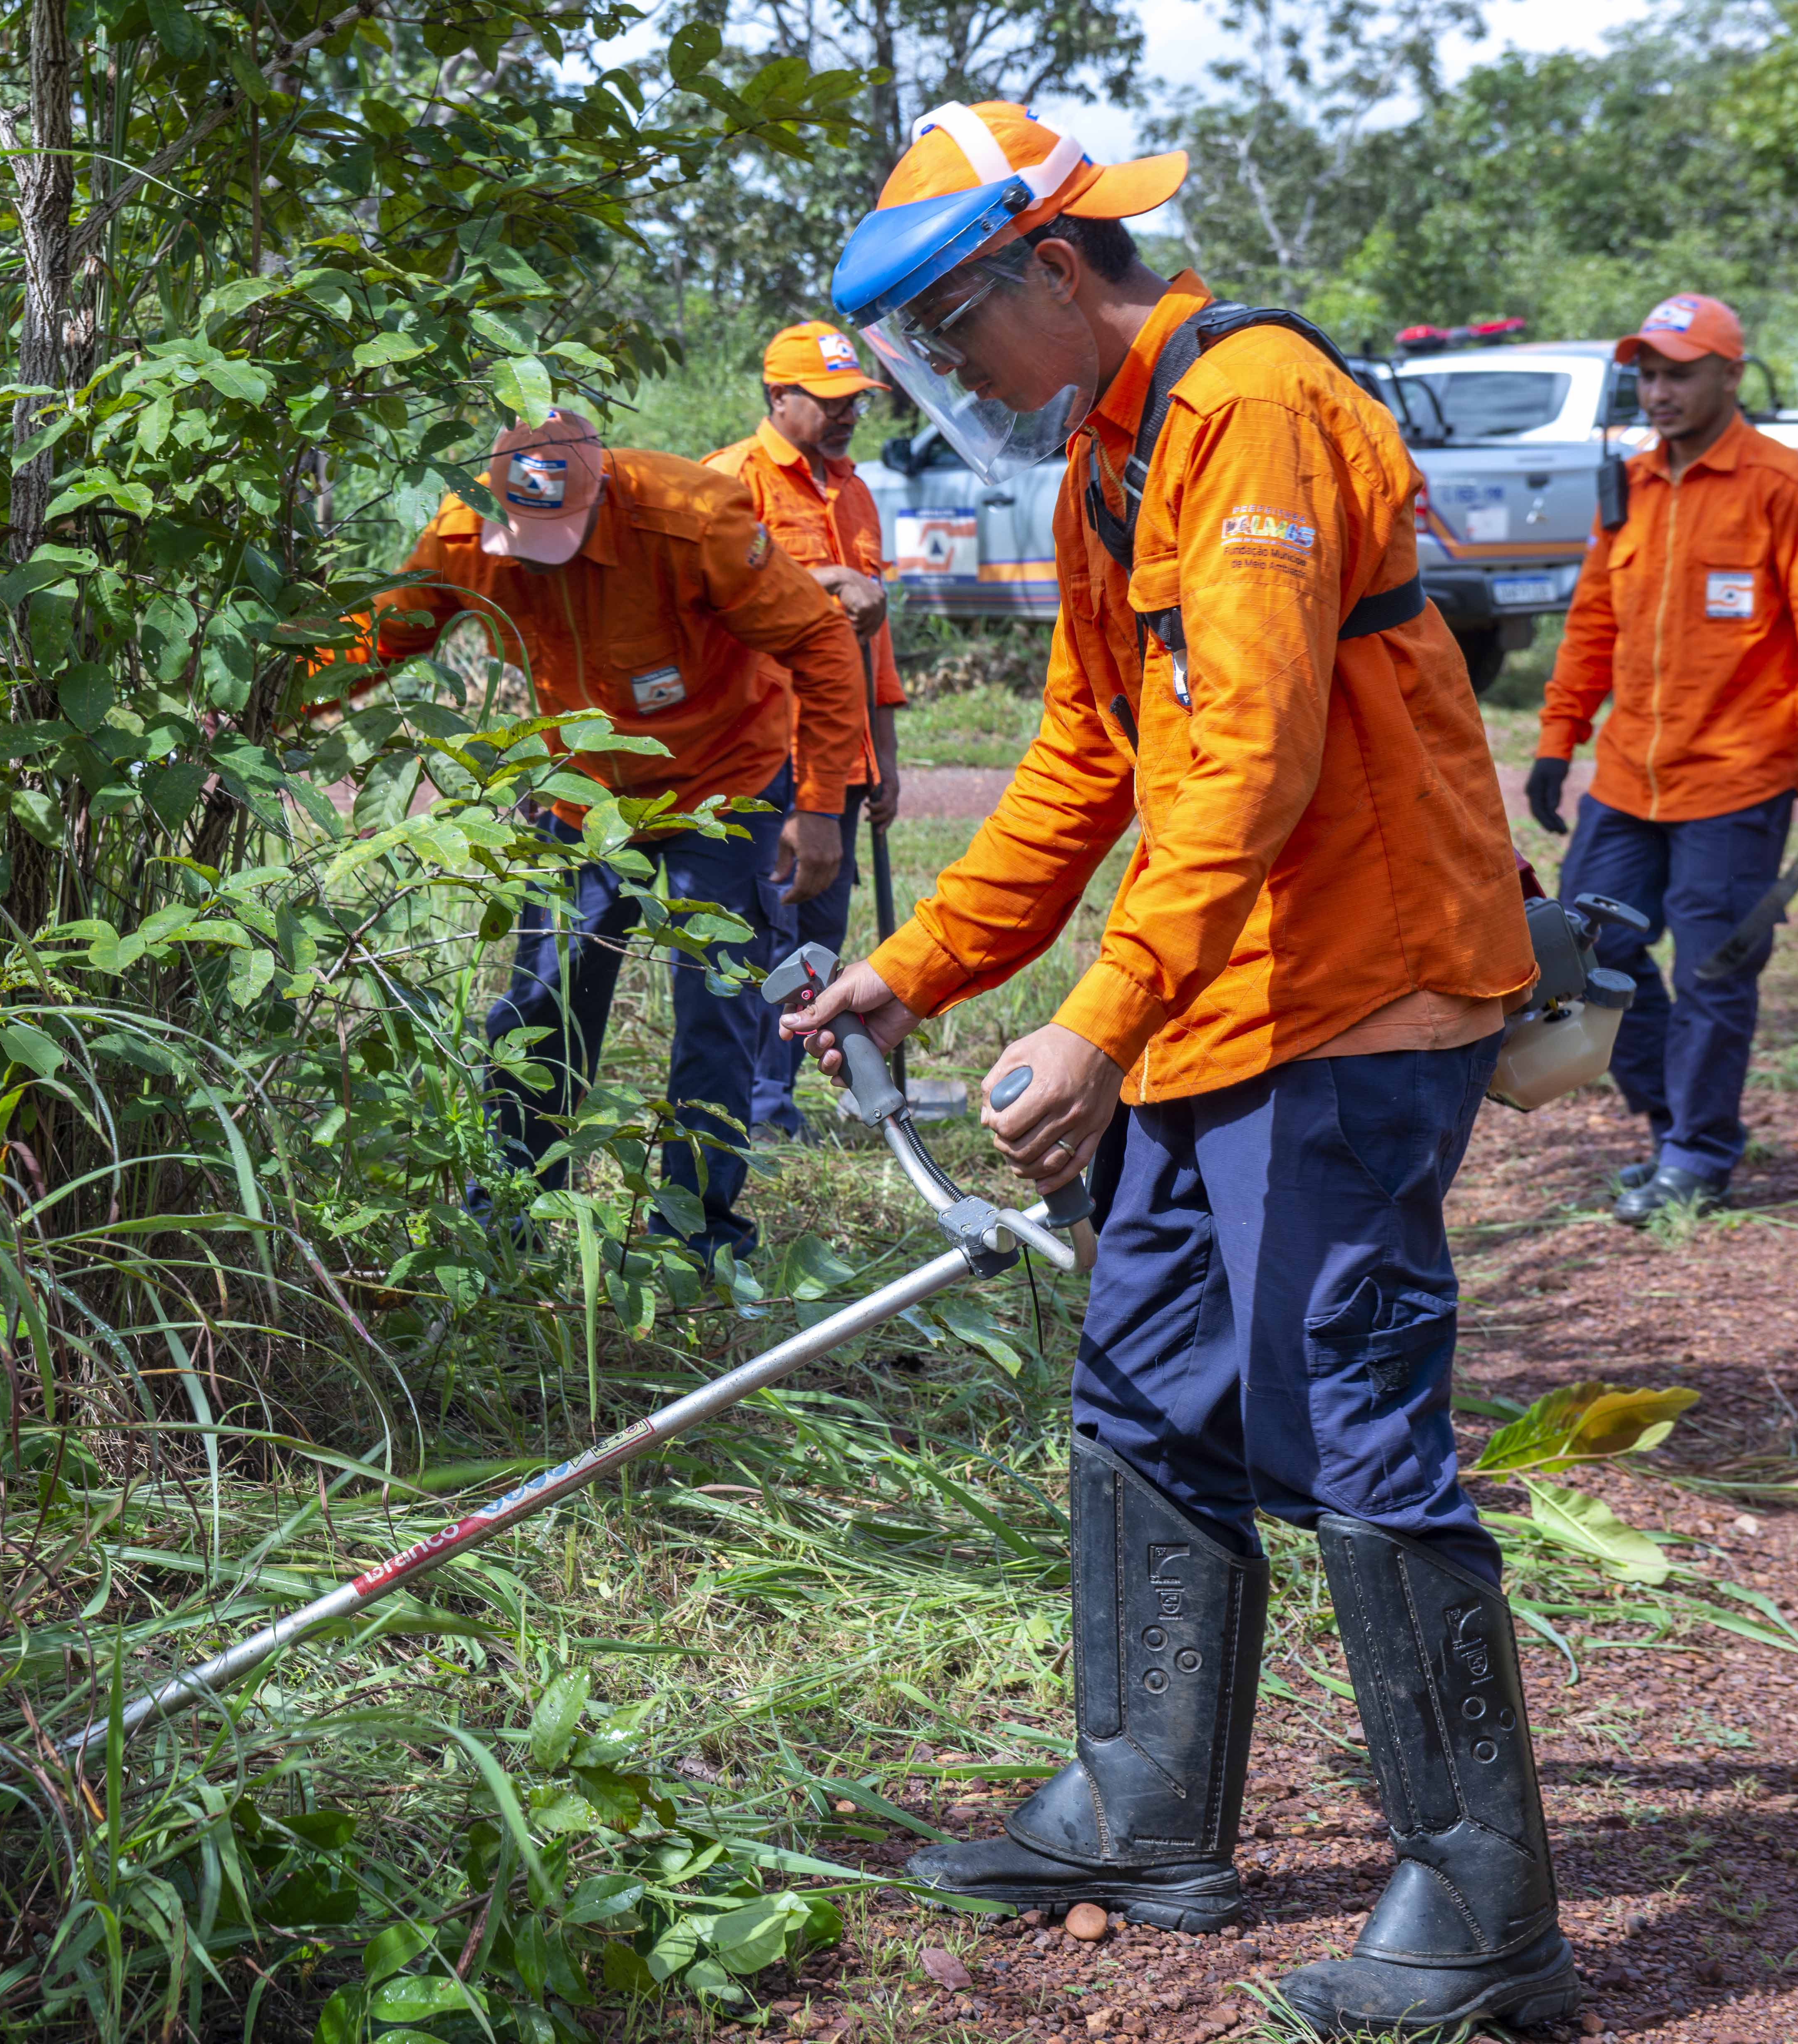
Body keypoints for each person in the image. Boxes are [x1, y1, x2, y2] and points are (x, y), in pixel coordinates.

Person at [785, 103, 1571, 2036]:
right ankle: (1145, 1807)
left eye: (953, 327)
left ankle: (1483, 1912)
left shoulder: (1253, 409)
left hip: (1352, 999)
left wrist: (1097, 1012)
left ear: (1056, 269)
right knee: (1143, 1387)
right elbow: (1085, 756)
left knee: (1348, 1422)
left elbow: (1250, 757)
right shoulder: (1107, 456)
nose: (949, 371)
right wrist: (915, 967)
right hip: (1218, 1002)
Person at [333, 409, 865, 1257]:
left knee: (717, 1010)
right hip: (583, 798)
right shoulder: (465, 530)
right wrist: (262, 704)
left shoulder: (692, 517)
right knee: (539, 1001)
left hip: (720, 785)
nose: (547, 559)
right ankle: (510, 1218)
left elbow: (821, 638)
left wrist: (822, 805)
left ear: (603, 493)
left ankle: (695, 1238)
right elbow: (382, 635)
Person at [1525, 293, 1798, 1225]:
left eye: (1679, 374)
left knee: (1713, 971)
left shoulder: (1784, 486)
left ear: (1731, 375)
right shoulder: (1630, 485)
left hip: (1735, 780)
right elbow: (1590, 624)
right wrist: (1556, 739)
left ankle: (1697, 1153)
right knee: (1581, 950)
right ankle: (1666, 1128)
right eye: (1647, 375)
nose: (1658, 392)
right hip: (1626, 779)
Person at [705, 322, 908, 1139]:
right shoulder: (730, 479)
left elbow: (872, 640)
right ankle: (747, 1108)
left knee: (821, 933)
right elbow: (710, 606)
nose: (846, 414)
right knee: (767, 930)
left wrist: (884, 755)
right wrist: (825, 578)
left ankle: (776, 1101)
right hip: (763, 753)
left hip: (842, 758)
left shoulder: (854, 491)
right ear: (777, 397)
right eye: (829, 401)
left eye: (854, 400)